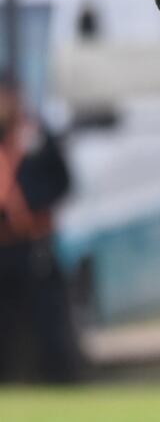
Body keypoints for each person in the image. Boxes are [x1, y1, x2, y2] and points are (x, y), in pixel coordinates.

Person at [0, 72, 81, 382]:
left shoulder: (35, 135)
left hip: (33, 241)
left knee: (48, 316)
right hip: (3, 242)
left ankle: (57, 377)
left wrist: (33, 203)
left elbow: (63, 180)